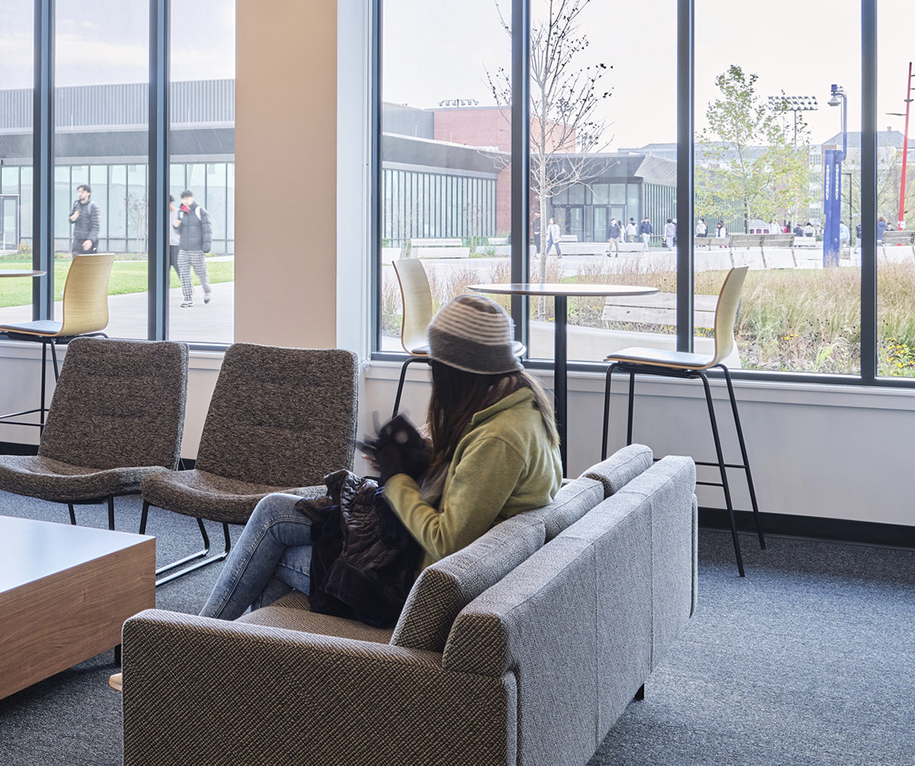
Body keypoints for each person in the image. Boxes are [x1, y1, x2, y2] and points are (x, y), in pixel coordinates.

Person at [185, 293, 561, 629]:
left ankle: (191, 642)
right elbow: (472, 486)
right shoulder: (515, 408)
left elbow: (446, 542)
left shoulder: (499, 439)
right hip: (403, 552)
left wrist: (398, 479)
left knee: (269, 555)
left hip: (402, 581)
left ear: (460, 373)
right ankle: (228, 651)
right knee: (273, 510)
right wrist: (423, 458)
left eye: (437, 368)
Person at [172, 189, 212, 307]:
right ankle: (187, 298)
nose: (186, 200)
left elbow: (207, 230)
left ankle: (207, 290)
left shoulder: (200, 211)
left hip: (197, 249)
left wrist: (206, 247)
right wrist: (176, 226)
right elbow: (179, 231)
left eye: (188, 198)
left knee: (200, 273)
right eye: (184, 199)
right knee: (184, 275)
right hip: (183, 248)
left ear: (192, 198)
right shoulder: (181, 212)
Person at [68, 183, 100, 255]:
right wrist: (72, 219)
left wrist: (90, 240)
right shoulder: (76, 205)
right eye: (79, 192)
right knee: (76, 260)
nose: (80, 194)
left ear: (88, 193)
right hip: (77, 240)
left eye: (82, 192)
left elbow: (96, 227)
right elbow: (71, 219)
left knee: (88, 261)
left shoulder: (92, 206)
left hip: (88, 241)